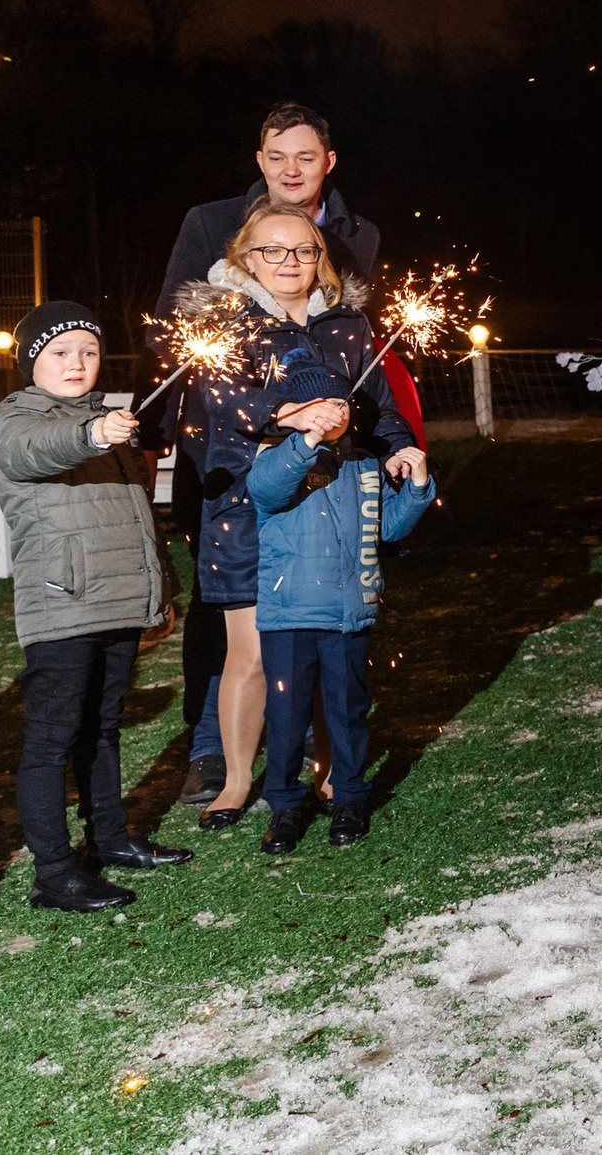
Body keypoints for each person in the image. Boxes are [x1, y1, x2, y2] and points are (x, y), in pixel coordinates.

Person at [159, 103, 388, 809]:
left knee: (313, 626)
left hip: (322, 478)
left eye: (306, 156)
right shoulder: (212, 224)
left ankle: (320, 760)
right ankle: (215, 754)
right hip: (230, 461)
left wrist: (384, 438)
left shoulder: (357, 240)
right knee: (230, 615)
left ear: (329, 160)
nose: (292, 169)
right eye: (277, 156)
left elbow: (359, 355)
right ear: (259, 159)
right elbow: (182, 341)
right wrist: (265, 412)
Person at [186, 203, 423, 831]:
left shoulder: (347, 326)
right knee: (254, 655)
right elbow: (221, 397)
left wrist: (399, 443)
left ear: (320, 259)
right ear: (244, 259)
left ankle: (326, 773)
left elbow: (374, 398)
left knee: (322, 646)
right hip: (246, 503)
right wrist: (281, 416)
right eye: (273, 251)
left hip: (329, 505)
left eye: (303, 251)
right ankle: (238, 780)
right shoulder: (224, 323)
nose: (290, 262)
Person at [0, 302, 195, 912]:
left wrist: (159, 592)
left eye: (88, 351)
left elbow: (136, 514)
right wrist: (90, 433)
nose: (76, 363)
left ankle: (109, 840)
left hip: (118, 601)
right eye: (59, 352)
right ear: (31, 362)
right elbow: (33, 453)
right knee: (52, 739)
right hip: (62, 604)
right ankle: (54, 871)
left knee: (102, 730)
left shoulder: (114, 418)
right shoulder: (16, 418)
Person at [244, 348, 438, 854]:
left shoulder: (364, 465)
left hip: (350, 611)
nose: (335, 410)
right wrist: (306, 439)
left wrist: (416, 487)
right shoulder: (276, 455)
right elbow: (267, 491)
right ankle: (284, 806)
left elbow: (385, 528)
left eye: (342, 401)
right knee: (286, 713)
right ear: (296, 411)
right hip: (290, 615)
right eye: (321, 403)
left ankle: (348, 797)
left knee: (348, 709)